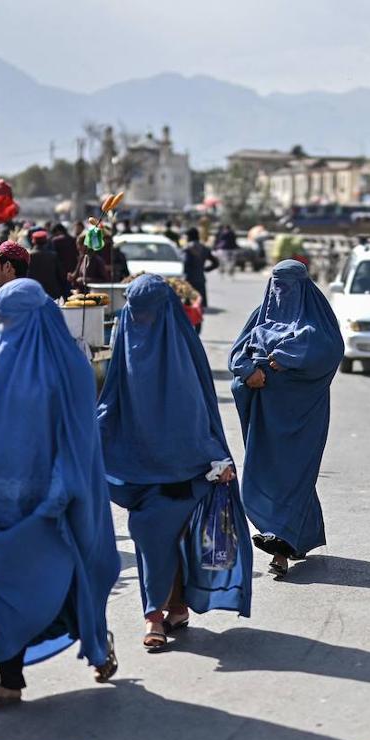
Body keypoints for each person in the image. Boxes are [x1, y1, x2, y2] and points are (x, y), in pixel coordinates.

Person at [0, 279, 118, 713]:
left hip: (53, 498)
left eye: (15, 319)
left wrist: (63, 487)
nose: (7, 327)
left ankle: (96, 637)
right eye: (3, 319)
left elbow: (80, 437)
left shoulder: (70, 367)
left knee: (67, 579)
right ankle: (9, 681)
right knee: (1, 587)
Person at [97, 274, 252, 651]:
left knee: (174, 538)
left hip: (187, 465)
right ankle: (159, 613)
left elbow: (197, 406)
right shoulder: (127, 336)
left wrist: (214, 455)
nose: (141, 319)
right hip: (139, 465)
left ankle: (170, 609)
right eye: (135, 311)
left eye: (147, 311)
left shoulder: (179, 346)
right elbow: (112, 395)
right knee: (151, 535)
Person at [229, 260, 343, 577]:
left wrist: (287, 356)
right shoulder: (261, 315)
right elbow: (238, 353)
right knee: (270, 471)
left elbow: (329, 348)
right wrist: (249, 371)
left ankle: (279, 547)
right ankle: (297, 537)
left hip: (303, 416)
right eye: (277, 284)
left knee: (294, 473)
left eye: (288, 284)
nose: (282, 292)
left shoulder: (317, 318)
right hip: (265, 416)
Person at [182, 227, 219, 309]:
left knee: (188, 307)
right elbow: (216, 263)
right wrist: (205, 269)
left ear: (189, 236)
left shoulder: (187, 248)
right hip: (201, 279)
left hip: (189, 280)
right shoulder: (205, 248)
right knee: (199, 306)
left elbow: (185, 263)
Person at [28, 230, 69, 300]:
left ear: (33, 241)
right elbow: (61, 275)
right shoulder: (53, 256)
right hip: (51, 293)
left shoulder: (29, 256)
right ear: (46, 241)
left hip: (33, 292)